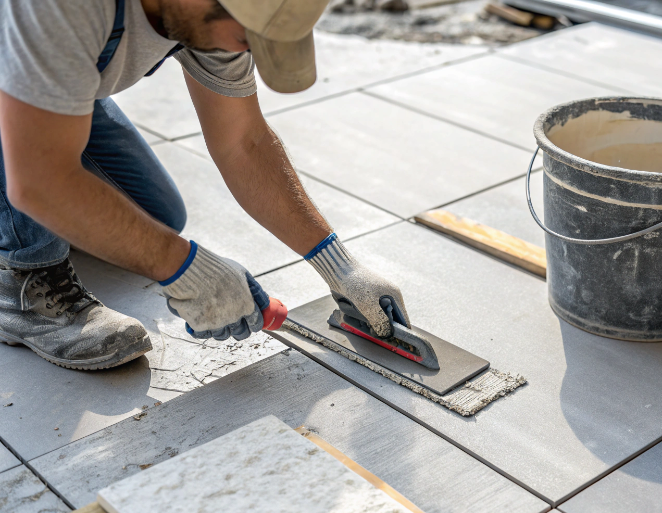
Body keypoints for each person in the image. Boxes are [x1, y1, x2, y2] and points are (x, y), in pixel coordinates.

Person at [0, 0, 410, 370]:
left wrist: (340, 266)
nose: (245, 49)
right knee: (43, 181)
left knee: (152, 218)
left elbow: (243, 143)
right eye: (247, 36)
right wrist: (182, 267)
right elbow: (40, 180)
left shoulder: (224, 19)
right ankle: (20, 281)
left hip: (42, 62)